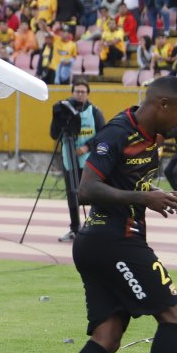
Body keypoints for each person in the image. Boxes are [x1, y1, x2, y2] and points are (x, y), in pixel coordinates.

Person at [73, 76, 177, 353]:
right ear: (162, 104)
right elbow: (86, 189)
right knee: (175, 316)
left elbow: (124, 180)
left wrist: (155, 194)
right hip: (115, 240)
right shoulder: (118, 133)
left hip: (98, 243)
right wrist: (144, 197)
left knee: (108, 337)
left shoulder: (151, 136)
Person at [52, 79, 106, 242]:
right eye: (77, 92)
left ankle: (94, 227)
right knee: (72, 194)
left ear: (88, 94)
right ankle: (74, 228)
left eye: (83, 92)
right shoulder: (64, 110)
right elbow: (54, 134)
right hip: (69, 158)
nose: (80, 95)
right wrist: (56, 117)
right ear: (72, 92)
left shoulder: (95, 112)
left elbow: (103, 135)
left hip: (90, 161)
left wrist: (87, 147)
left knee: (91, 195)